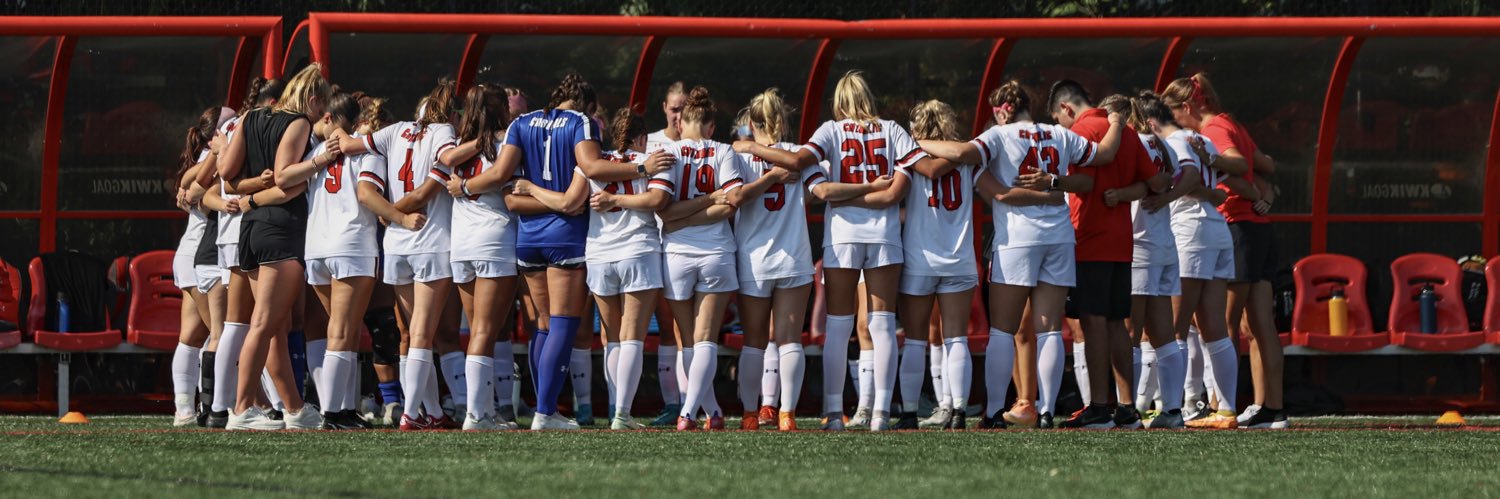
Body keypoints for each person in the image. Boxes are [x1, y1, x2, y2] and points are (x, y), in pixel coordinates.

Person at [454, 72, 674, 431]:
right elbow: (586, 175)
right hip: (565, 237)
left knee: (541, 325)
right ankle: (545, 412)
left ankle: (537, 409)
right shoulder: (581, 123)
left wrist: (468, 186)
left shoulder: (521, 123)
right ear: (586, 104)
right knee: (562, 325)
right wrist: (641, 167)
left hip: (527, 238)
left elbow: (506, 183)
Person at [737, 70, 936, 432]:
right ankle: (880, 414)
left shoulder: (831, 130)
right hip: (884, 234)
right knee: (883, 325)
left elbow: (814, 180)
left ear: (839, 101)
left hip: (843, 234)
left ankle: (832, 414)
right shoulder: (892, 130)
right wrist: (871, 186)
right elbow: (896, 192)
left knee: (840, 326)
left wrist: (750, 146)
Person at [920, 80, 1123, 429]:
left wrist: (915, 142)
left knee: (1002, 330)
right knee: (1048, 331)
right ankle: (1045, 411)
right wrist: (1118, 121)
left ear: (1001, 112)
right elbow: (1104, 154)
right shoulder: (1058, 133)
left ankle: (994, 411)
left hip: (1018, 239)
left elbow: (963, 154)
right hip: (1059, 238)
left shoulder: (1000, 135)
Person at [217, 64, 341, 430]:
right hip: (280, 231)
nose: (320, 116)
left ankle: (294, 408)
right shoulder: (299, 121)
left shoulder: (251, 116)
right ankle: (240, 409)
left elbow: (227, 175)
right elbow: (286, 174)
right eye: (322, 107)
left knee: (273, 326)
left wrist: (253, 191)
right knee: (264, 323)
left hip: (252, 229)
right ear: (313, 99)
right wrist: (320, 160)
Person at [340, 78, 461, 430]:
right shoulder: (443, 132)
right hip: (429, 238)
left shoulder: (394, 130)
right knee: (422, 334)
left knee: (410, 335)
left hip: (395, 242)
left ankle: (432, 411)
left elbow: (350, 145)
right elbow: (439, 172)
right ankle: (410, 412)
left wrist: (391, 213)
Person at [1164, 73, 1284, 429]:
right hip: (1258, 231)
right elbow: (1265, 165)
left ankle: (1221, 405)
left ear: (1187, 107)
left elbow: (1238, 163)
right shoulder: (1231, 122)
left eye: (1174, 114)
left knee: (1221, 325)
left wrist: (1213, 165)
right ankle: (1271, 407)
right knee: (1259, 325)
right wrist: (1263, 191)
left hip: (1236, 227)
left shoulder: (1212, 128)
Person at [1047, 81, 1167, 429]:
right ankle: (1127, 407)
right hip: (1121, 241)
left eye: (1059, 118)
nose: (1062, 126)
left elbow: (1084, 182)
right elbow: (1156, 183)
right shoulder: (1127, 132)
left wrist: (1052, 182)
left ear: (1067, 109)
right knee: (1117, 322)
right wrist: (1127, 191)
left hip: (1090, 237)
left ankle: (1100, 405)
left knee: (1093, 321)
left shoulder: (1083, 129)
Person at [1141, 88, 1241, 429]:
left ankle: (1172, 408)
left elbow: (1192, 176)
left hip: (1190, 231)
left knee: (1174, 327)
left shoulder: (1175, 141)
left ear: (1151, 122)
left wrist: (1163, 197)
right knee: (1214, 326)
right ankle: (1225, 410)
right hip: (1215, 229)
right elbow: (1218, 183)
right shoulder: (1201, 140)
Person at [194, 77, 283, 429]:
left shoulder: (232, 127)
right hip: (248, 229)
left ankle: (221, 406)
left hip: (237, 233)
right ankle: (262, 404)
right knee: (261, 321)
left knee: (238, 324)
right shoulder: (252, 124)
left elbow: (201, 188)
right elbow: (219, 185)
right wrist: (254, 189)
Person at [656, 86, 746, 431]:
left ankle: (702, 412)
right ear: (710, 126)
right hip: (716, 252)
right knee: (705, 337)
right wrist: (709, 200)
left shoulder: (667, 150)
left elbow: (665, 210)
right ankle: (693, 412)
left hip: (676, 252)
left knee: (689, 338)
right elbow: (727, 201)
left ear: (682, 122)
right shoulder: (723, 150)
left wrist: (680, 218)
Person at [583, 108, 673, 430]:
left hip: (599, 254)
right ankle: (622, 414)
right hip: (638, 249)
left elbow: (574, 199)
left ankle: (614, 410)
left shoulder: (595, 163)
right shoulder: (652, 159)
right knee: (632, 336)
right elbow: (657, 201)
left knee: (612, 339)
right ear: (640, 137)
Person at [895, 100, 982, 430]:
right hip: (958, 258)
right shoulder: (967, 155)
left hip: (920, 257)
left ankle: (908, 412)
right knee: (956, 338)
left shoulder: (910, 153)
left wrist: (912, 142)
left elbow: (929, 170)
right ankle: (958, 410)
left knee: (916, 339)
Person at [731, 88, 815, 431]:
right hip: (793, 255)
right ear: (783, 119)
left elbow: (732, 197)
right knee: (789, 339)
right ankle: (786, 415)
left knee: (754, 341)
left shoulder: (738, 155)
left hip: (754, 259)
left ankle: (751, 415)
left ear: (751, 123)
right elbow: (812, 195)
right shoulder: (798, 153)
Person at [438, 83, 520, 430]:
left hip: (463, 244)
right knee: (486, 331)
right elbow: (501, 175)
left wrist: (464, 184)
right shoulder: (505, 140)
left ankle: (481, 411)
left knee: (477, 332)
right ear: (501, 109)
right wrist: (471, 186)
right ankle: (477, 414)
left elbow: (445, 160)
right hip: (493, 239)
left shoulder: (459, 145)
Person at [1122, 91, 1205, 429]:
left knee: (1131, 331)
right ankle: (1172, 411)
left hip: (1140, 246)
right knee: (1164, 335)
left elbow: (1133, 184)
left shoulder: (1136, 143)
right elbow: (1192, 174)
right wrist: (1167, 196)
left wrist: (1157, 196)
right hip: (1165, 246)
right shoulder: (1161, 143)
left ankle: (1128, 409)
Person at [303, 92, 377, 430]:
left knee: (340, 329)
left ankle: (344, 409)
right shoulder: (365, 148)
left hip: (316, 244)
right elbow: (369, 194)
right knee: (344, 330)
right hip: (350, 243)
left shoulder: (316, 151)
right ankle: (332, 413)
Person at [169, 106, 234, 426]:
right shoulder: (212, 160)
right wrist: (212, 158)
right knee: (218, 334)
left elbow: (188, 185)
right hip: (200, 256)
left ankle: (186, 409)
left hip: (193, 255)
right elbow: (193, 190)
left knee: (193, 335)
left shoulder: (206, 161)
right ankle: (210, 405)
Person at [645, 81, 689, 424]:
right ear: (664, 107)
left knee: (681, 328)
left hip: (688, 246)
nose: (679, 116)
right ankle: (672, 402)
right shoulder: (650, 144)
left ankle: (688, 402)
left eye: (685, 109)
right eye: (675, 109)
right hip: (652, 244)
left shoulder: (699, 144)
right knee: (664, 326)